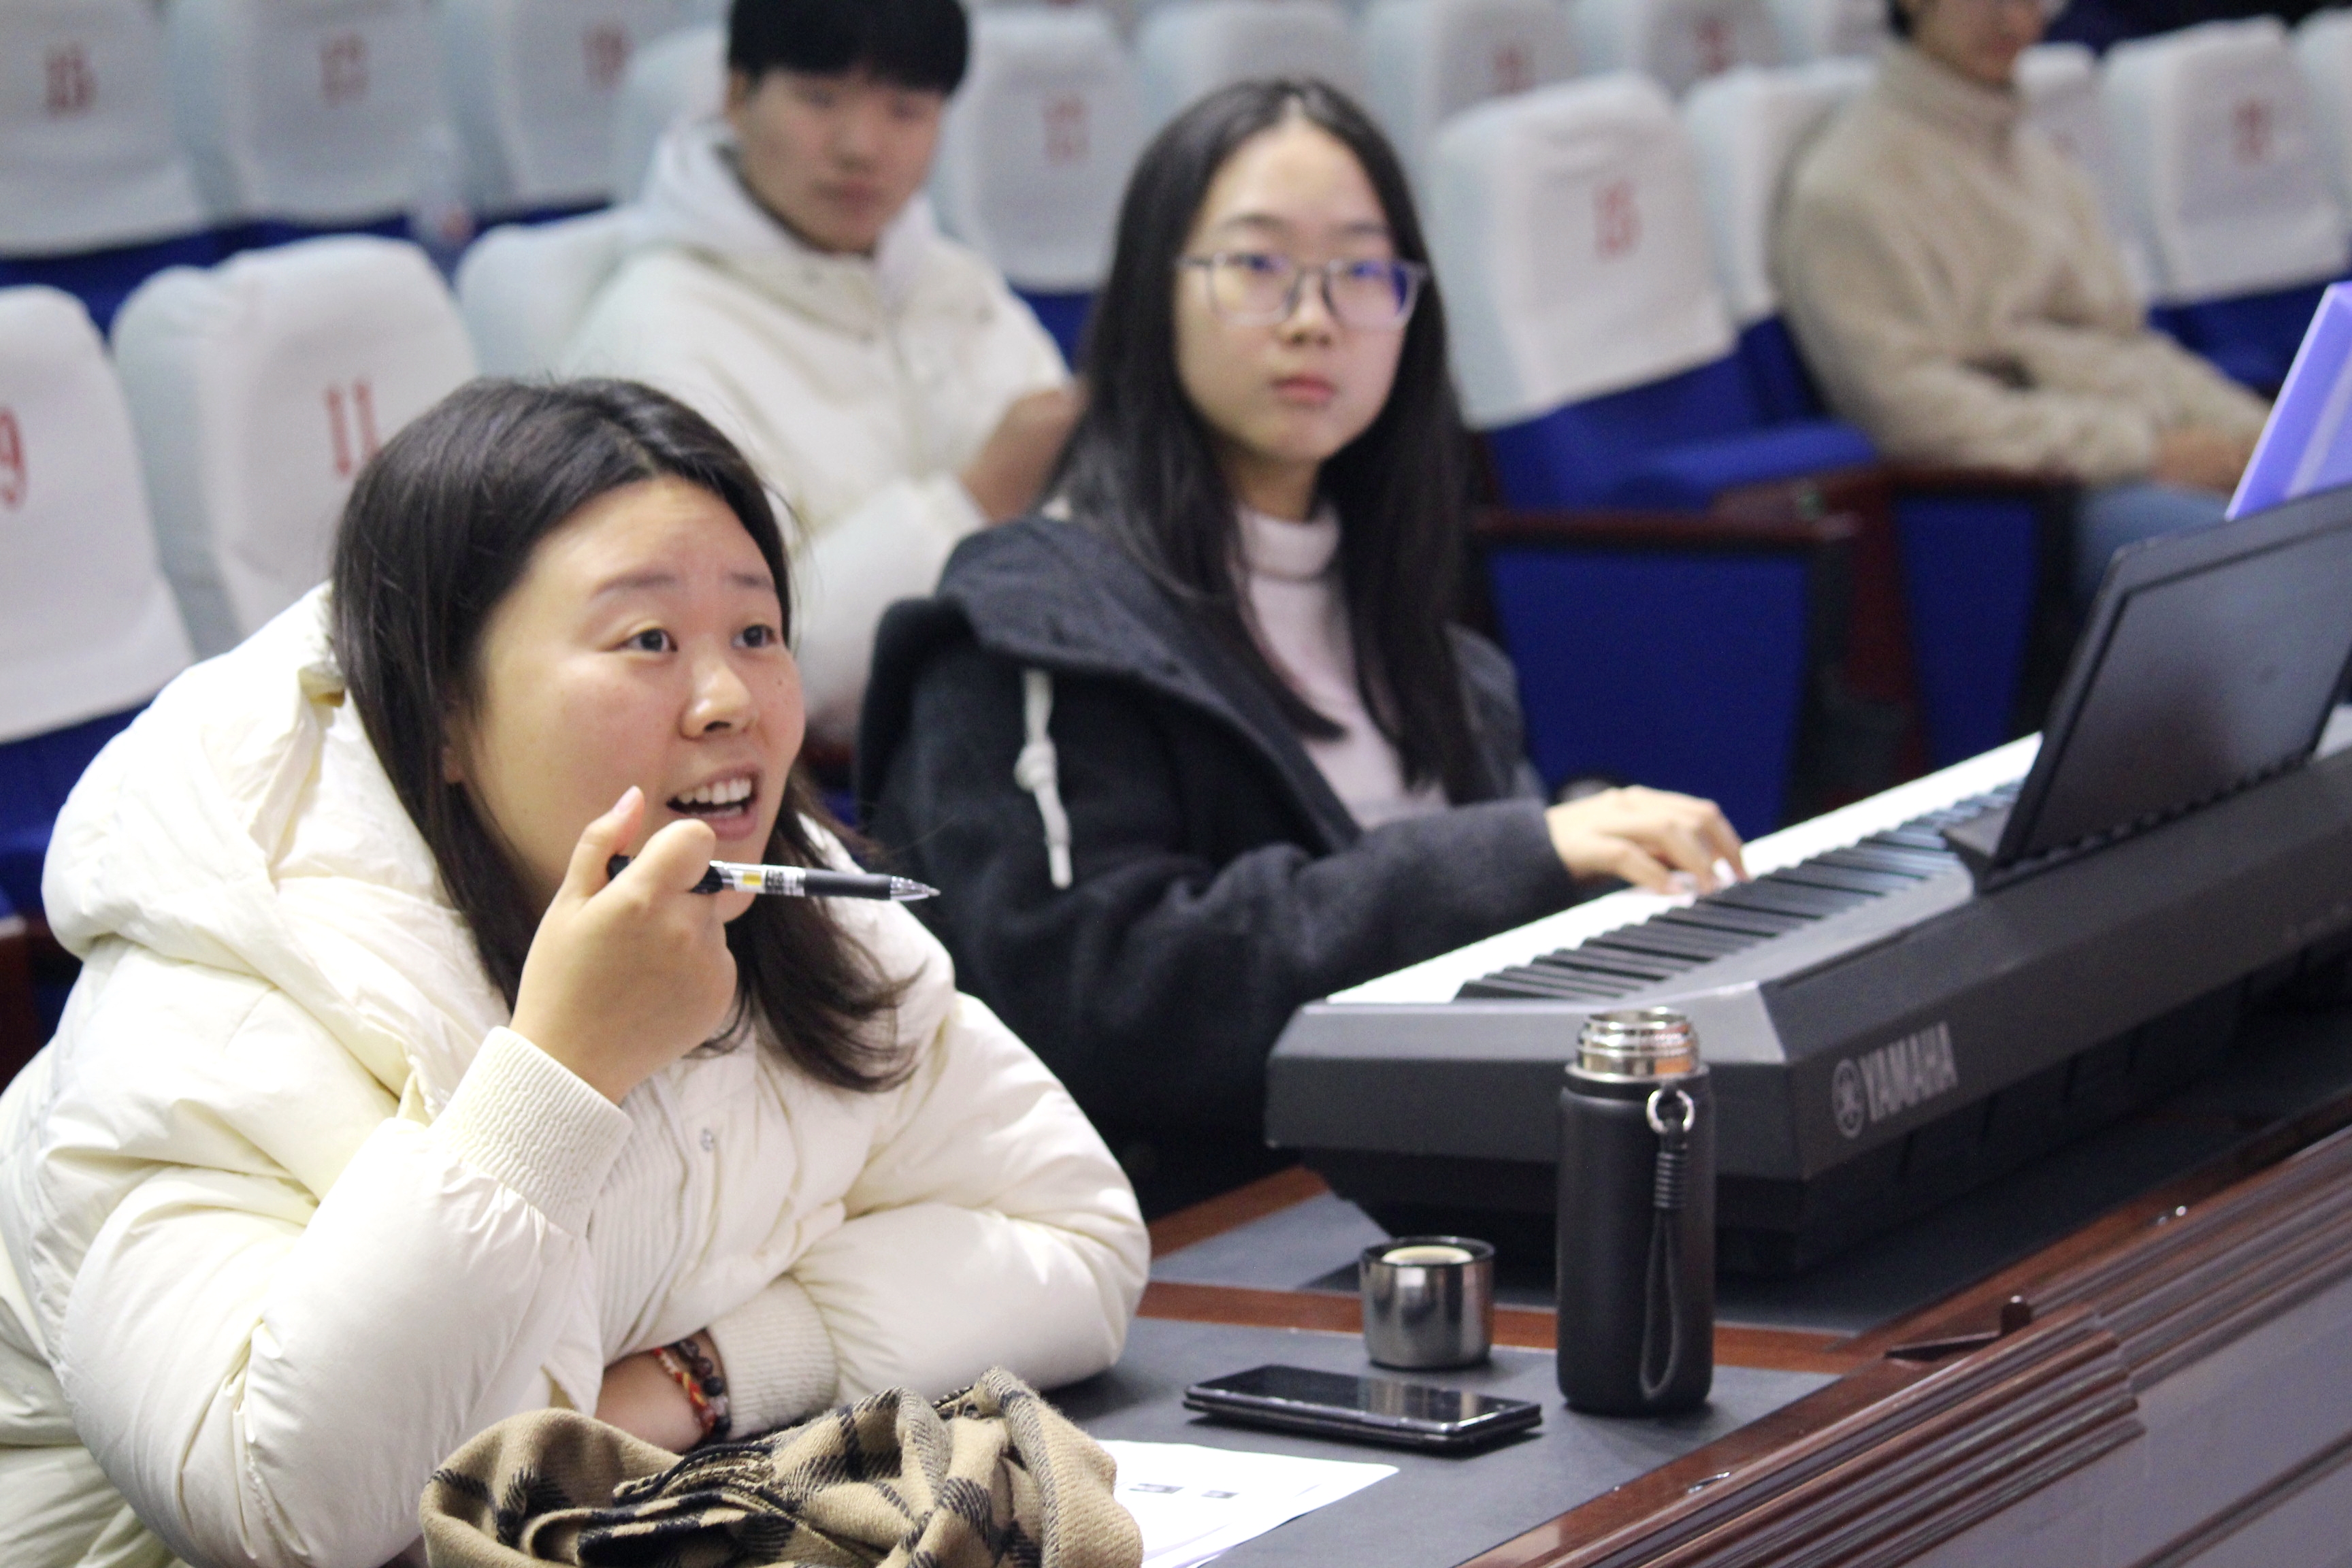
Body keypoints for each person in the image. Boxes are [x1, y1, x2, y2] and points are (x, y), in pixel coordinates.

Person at [0, 380, 1146, 1568]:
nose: (729, 700)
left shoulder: (771, 896)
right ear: (440, 711)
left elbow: (1077, 1240)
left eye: (757, 633)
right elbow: (289, 1516)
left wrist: (698, 1378)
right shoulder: (208, 992)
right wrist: (559, 1068)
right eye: (649, 641)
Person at [858, 81, 1746, 1215]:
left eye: (1362, 272)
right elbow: (1099, 998)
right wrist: (1512, 854)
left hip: (1454, 1187)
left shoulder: (1427, 633)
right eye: (1257, 264)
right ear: (1153, 295)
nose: (1315, 317)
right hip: (1206, 1237)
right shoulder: (1032, 620)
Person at [561, 0, 1081, 742]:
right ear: (738, 95)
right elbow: (727, 664)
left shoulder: (957, 285)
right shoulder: (657, 331)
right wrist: (973, 501)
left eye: (906, 110)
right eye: (819, 98)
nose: (861, 147)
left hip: (1029, 723)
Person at [1772, 0, 2272, 600]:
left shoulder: (2038, 159)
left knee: (2319, 517)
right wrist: (2141, 450)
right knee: (2265, 569)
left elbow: (2129, 345)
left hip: (2134, 452)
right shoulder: (1848, 188)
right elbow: (1911, 411)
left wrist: (2255, 436)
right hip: (2042, 501)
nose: (2014, 23)